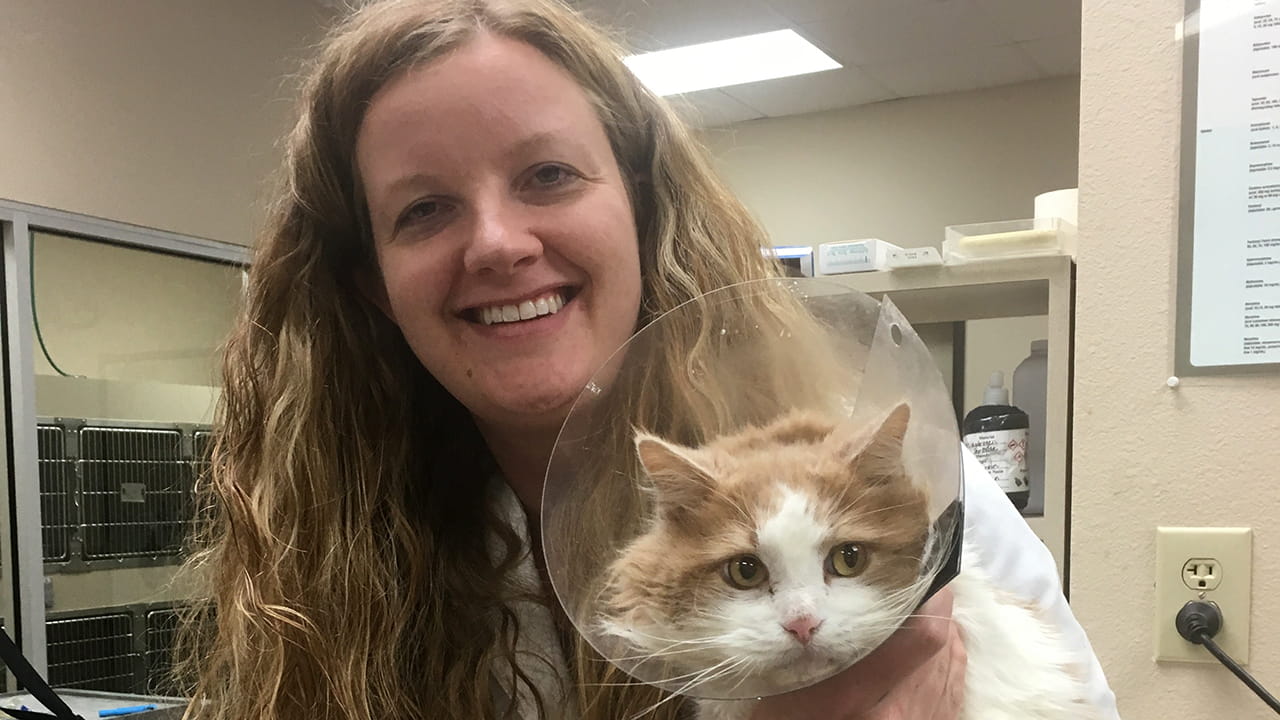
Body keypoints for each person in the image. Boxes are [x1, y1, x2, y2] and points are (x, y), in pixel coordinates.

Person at [174, 1, 1120, 719]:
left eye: (548, 174)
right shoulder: (326, 558)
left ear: (640, 207)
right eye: (424, 209)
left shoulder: (912, 488)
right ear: (374, 283)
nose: (497, 243)